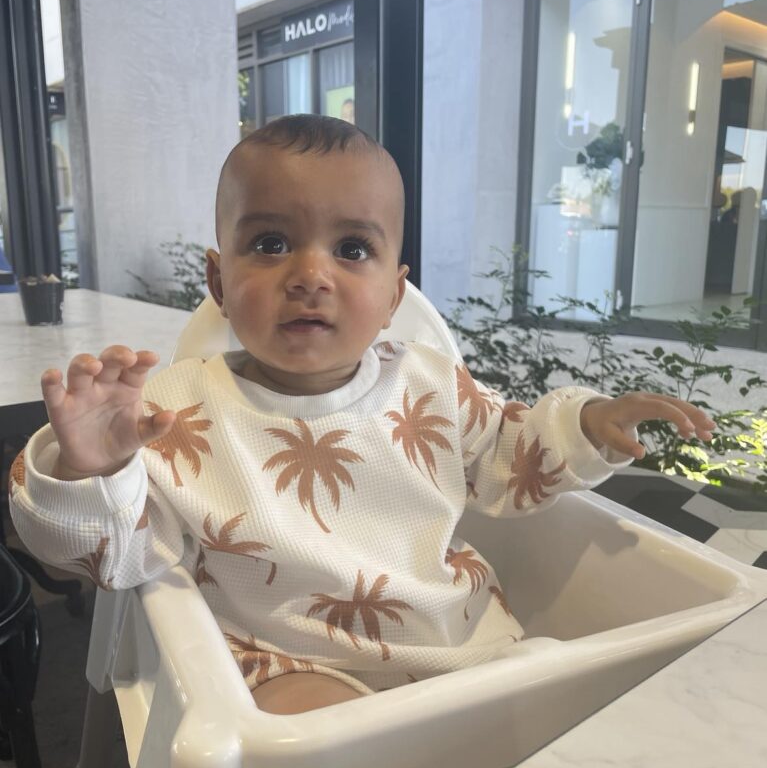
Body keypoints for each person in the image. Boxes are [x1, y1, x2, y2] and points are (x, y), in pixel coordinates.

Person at [9, 115, 716, 718]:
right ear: (218, 282)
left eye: (352, 249)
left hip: (462, 642)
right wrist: (89, 471)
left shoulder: (430, 387)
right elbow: (116, 560)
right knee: (308, 737)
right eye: (270, 243)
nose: (309, 274)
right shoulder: (170, 412)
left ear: (391, 294)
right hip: (287, 661)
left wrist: (588, 425)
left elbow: (512, 458)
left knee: (570, 710)